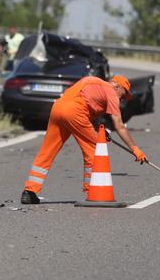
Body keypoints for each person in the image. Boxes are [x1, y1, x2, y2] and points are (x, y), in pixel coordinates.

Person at [21, 75, 148, 204]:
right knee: (94, 150)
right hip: (74, 111)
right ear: (117, 86)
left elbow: (82, 105)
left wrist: (98, 128)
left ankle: (29, 192)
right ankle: (92, 191)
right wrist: (135, 149)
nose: (121, 99)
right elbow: (119, 126)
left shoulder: (93, 81)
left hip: (57, 108)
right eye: (123, 95)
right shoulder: (112, 93)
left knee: (47, 151)